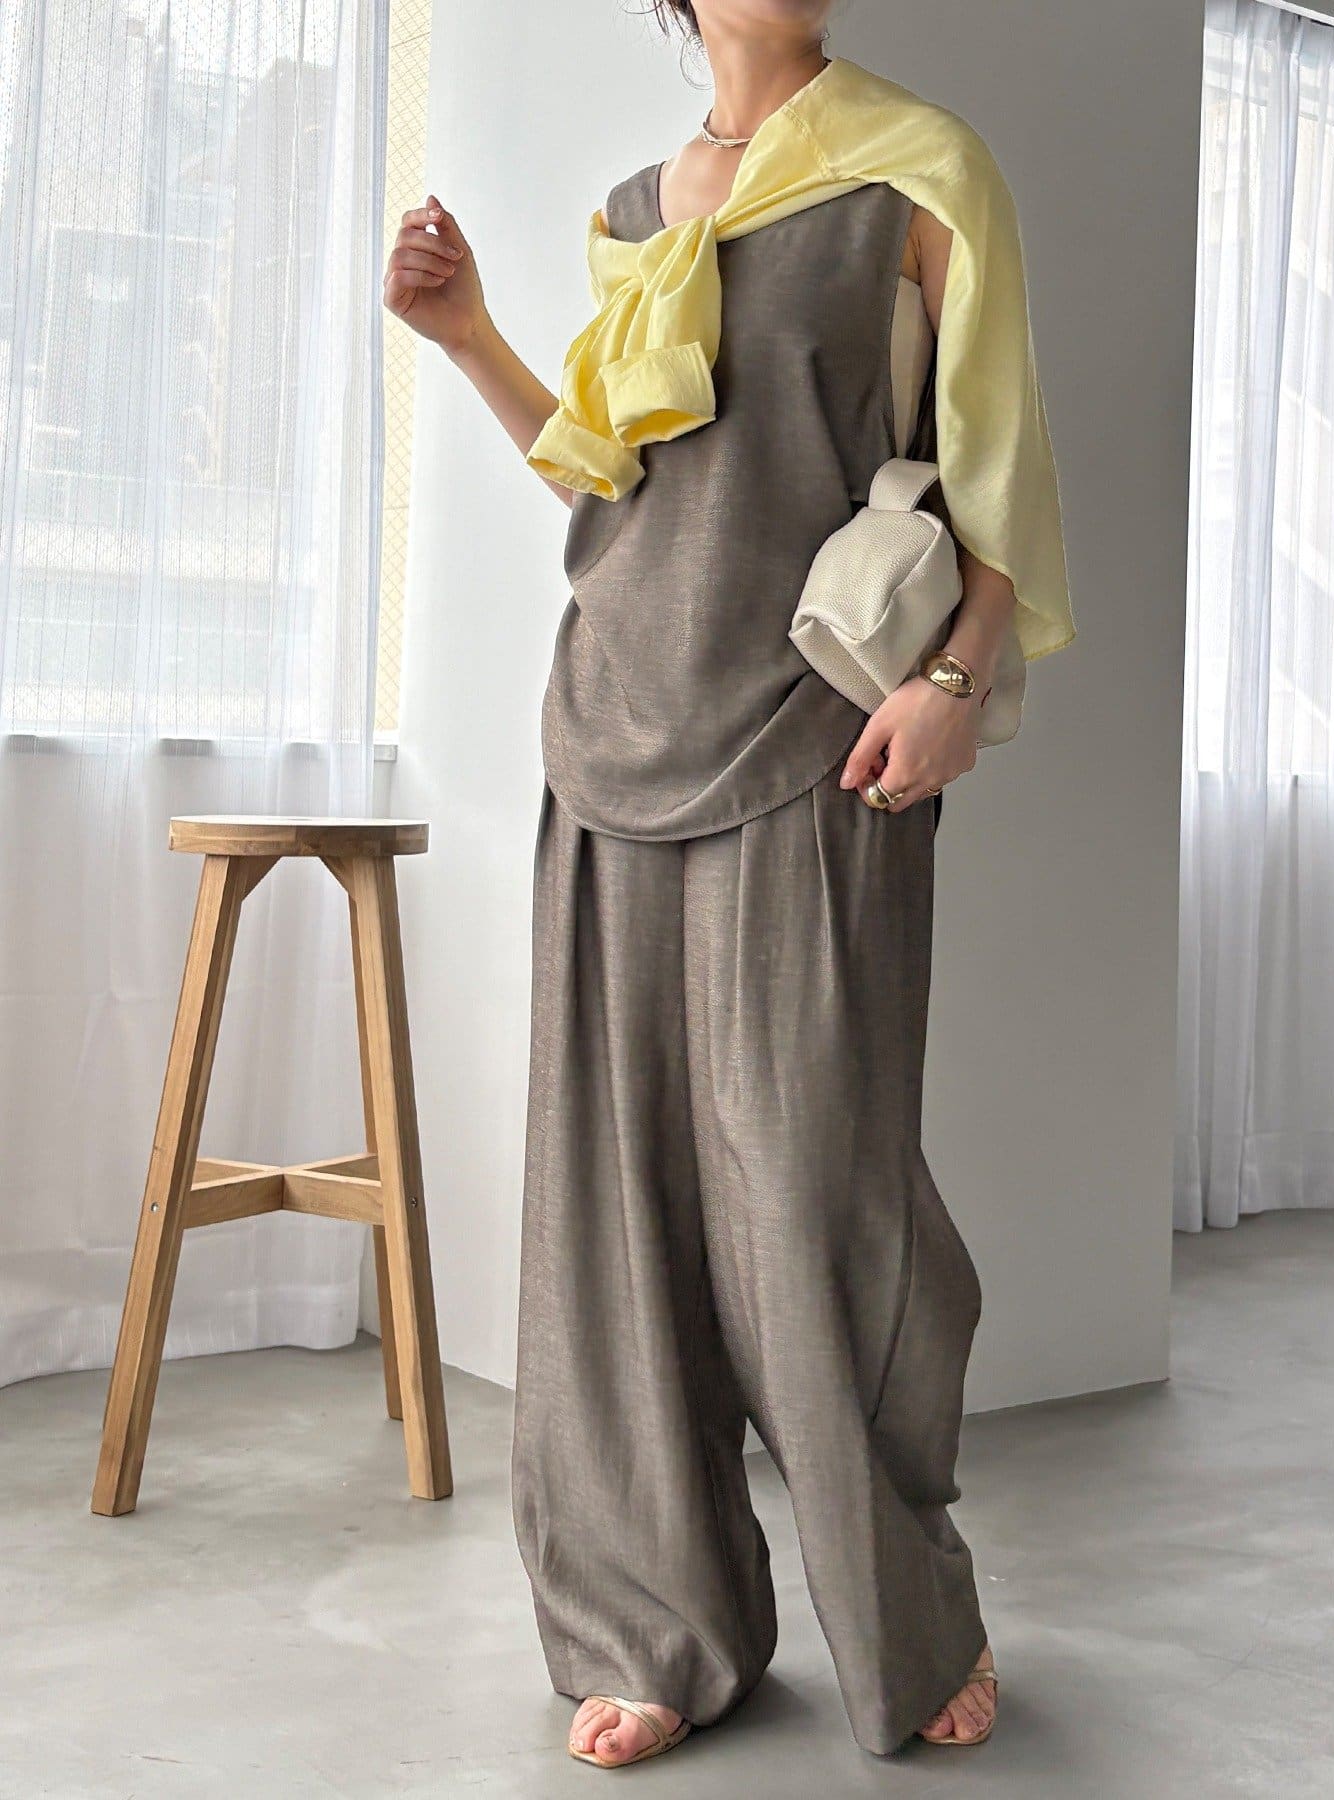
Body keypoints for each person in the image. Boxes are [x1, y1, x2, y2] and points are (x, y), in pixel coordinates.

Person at [382, 0, 1073, 1768]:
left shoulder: (923, 173)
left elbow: (997, 474)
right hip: (612, 720)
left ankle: (909, 1613)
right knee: (613, 1209)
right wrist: (468, 338)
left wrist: (958, 677)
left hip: (817, 735)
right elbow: (606, 467)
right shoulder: (637, 208)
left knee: (819, 1197)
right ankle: (654, 1627)